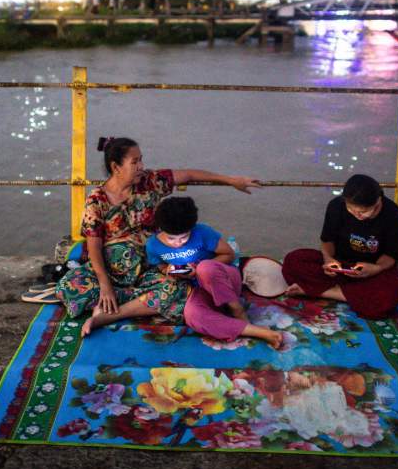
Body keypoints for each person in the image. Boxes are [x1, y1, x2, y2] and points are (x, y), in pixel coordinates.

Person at [55, 136, 260, 335]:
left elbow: (188, 175)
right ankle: (125, 300)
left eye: (141, 159)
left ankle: (111, 312)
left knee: (179, 288)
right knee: (69, 286)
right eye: (135, 162)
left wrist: (232, 180)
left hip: (149, 267)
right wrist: (105, 285)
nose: (141, 166)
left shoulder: (150, 182)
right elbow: (94, 247)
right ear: (116, 167)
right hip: (112, 271)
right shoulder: (96, 200)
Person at [146, 197, 286, 349]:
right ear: (160, 229)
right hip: (198, 289)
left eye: (184, 237)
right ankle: (258, 332)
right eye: (171, 238)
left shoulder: (203, 232)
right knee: (193, 315)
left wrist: (199, 268)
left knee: (205, 268)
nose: (178, 242)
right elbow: (160, 266)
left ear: (192, 228)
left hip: (224, 282)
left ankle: (237, 310)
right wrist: (171, 270)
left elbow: (229, 254)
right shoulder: (153, 245)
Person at [282, 174, 398, 319]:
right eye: (352, 210)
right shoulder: (336, 206)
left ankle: (321, 291)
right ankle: (349, 294)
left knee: (390, 296)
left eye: (364, 212)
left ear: (378, 200)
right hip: (340, 265)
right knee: (293, 260)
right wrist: (328, 259)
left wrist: (375, 269)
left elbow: (391, 256)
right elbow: (328, 240)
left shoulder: (393, 215)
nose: (358, 215)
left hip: (369, 270)